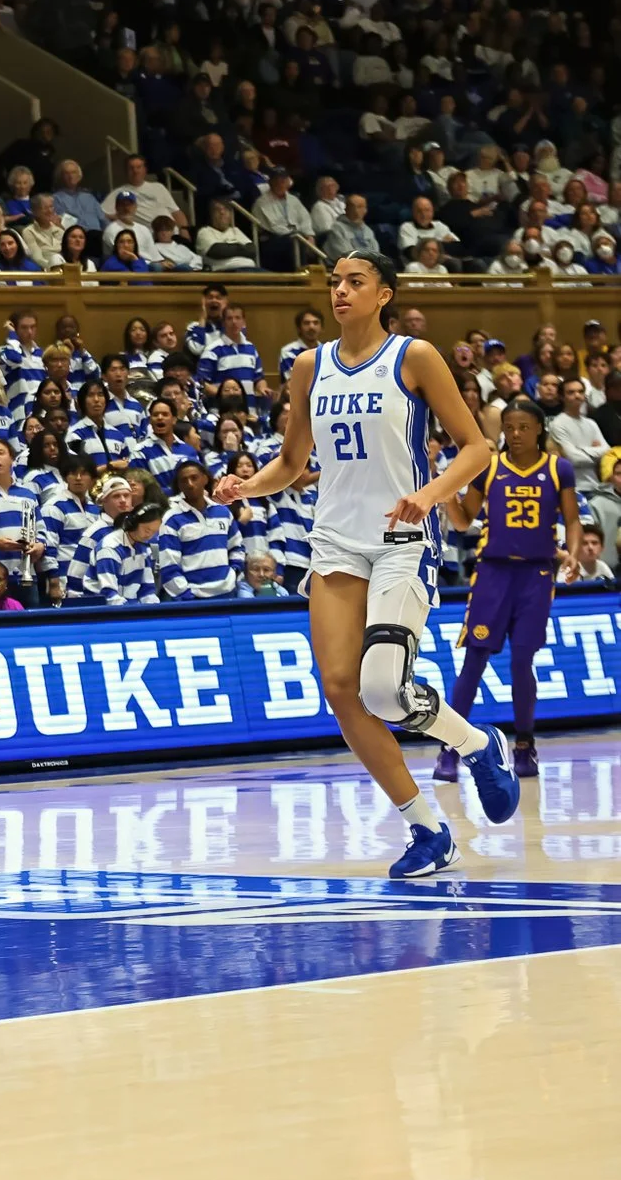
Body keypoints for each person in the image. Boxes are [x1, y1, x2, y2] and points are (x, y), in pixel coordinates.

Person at [215, 255, 512, 878]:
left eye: (355, 282)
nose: (341, 291)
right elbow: (293, 461)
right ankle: (427, 830)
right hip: (336, 542)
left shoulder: (415, 356)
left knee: (383, 689)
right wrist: (247, 487)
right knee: (344, 693)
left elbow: (477, 446)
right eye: (334, 283)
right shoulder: (308, 365)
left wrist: (429, 497)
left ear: (384, 294)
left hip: (403, 539)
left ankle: (478, 744)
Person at [434, 397, 582, 783]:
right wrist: (447, 492)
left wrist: (574, 555)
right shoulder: (490, 466)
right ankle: (449, 750)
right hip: (493, 574)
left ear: (538, 430)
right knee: (475, 659)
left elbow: (572, 520)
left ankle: (524, 745)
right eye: (509, 427)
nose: (514, 434)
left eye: (522, 427)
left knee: (521, 662)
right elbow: (465, 521)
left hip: (536, 576)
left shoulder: (558, 469)